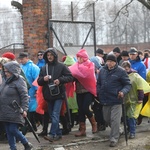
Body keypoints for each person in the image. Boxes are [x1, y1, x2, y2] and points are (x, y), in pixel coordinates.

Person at [37, 48, 73, 142]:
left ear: (55, 56)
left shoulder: (61, 66)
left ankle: (52, 134)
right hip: (48, 95)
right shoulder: (44, 68)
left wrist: (60, 80)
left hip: (59, 94)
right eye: (48, 55)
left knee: (55, 115)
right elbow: (39, 82)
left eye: (51, 55)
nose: (49, 57)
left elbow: (70, 77)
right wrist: (43, 79)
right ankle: (58, 133)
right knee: (52, 114)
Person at [97, 54, 131, 147]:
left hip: (116, 99)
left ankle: (114, 138)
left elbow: (128, 85)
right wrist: (99, 91)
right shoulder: (102, 71)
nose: (109, 63)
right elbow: (99, 83)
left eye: (111, 61)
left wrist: (123, 92)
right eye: (108, 61)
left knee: (115, 120)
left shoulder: (121, 71)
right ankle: (119, 130)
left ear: (115, 62)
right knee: (107, 119)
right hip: (105, 99)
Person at [0, 61, 33, 150]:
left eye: (7, 71)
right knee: (8, 131)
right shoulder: (5, 80)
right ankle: (13, 148)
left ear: (13, 70)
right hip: (4, 110)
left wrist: (25, 109)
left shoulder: (19, 80)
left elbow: (24, 95)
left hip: (15, 110)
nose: (5, 73)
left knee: (13, 129)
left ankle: (26, 143)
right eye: (5, 71)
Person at [69, 49, 97, 137]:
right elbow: (73, 76)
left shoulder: (90, 65)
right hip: (79, 91)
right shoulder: (75, 66)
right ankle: (82, 129)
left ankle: (94, 123)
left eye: (80, 57)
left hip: (88, 90)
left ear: (84, 58)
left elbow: (89, 76)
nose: (79, 59)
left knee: (85, 108)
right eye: (78, 58)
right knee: (80, 110)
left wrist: (79, 75)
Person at [121, 61, 150, 139]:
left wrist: (140, 98)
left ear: (129, 68)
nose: (125, 71)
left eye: (126, 69)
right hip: (125, 100)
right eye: (124, 69)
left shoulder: (136, 76)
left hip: (135, 100)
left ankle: (132, 132)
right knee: (126, 116)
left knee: (132, 116)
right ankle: (128, 129)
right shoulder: (121, 76)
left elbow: (140, 88)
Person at [18, 52, 40, 132]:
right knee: (28, 110)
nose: (21, 61)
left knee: (31, 110)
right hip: (25, 91)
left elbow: (37, 79)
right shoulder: (20, 67)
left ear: (27, 58)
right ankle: (32, 126)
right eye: (20, 59)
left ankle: (30, 126)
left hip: (32, 91)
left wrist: (37, 90)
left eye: (22, 59)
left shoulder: (33, 67)